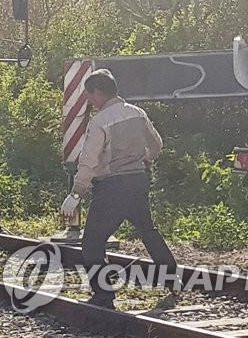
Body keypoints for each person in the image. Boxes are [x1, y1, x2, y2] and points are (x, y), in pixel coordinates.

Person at [61, 69, 177, 309]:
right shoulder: (137, 113)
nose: (90, 101)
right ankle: (172, 278)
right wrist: (146, 159)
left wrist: (76, 192)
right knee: (148, 230)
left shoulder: (101, 121)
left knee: (93, 242)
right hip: (138, 181)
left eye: (90, 95)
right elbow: (156, 144)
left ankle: (103, 296)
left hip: (112, 187)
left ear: (99, 92)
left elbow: (89, 160)